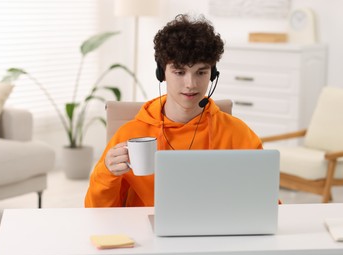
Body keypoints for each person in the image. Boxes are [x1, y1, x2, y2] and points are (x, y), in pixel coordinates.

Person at [85, 14, 262, 207]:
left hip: (214, 233)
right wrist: (106, 173)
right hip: (147, 232)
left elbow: (265, 203)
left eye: (201, 72)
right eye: (179, 72)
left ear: (213, 74)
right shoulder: (130, 135)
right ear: (162, 73)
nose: (191, 84)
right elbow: (98, 213)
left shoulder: (238, 134)